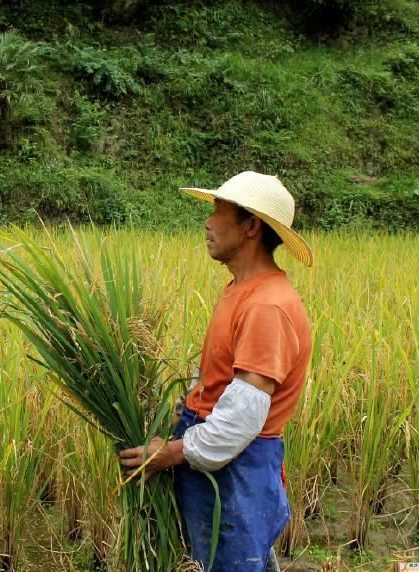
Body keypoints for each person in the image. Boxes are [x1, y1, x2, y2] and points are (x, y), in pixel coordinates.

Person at [119, 171, 313, 572]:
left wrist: (170, 453)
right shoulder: (240, 290)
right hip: (218, 464)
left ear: (251, 227)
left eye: (218, 211)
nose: (207, 223)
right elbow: (217, 375)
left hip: (233, 471)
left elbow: (241, 420)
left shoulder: (267, 307)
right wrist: (177, 412)